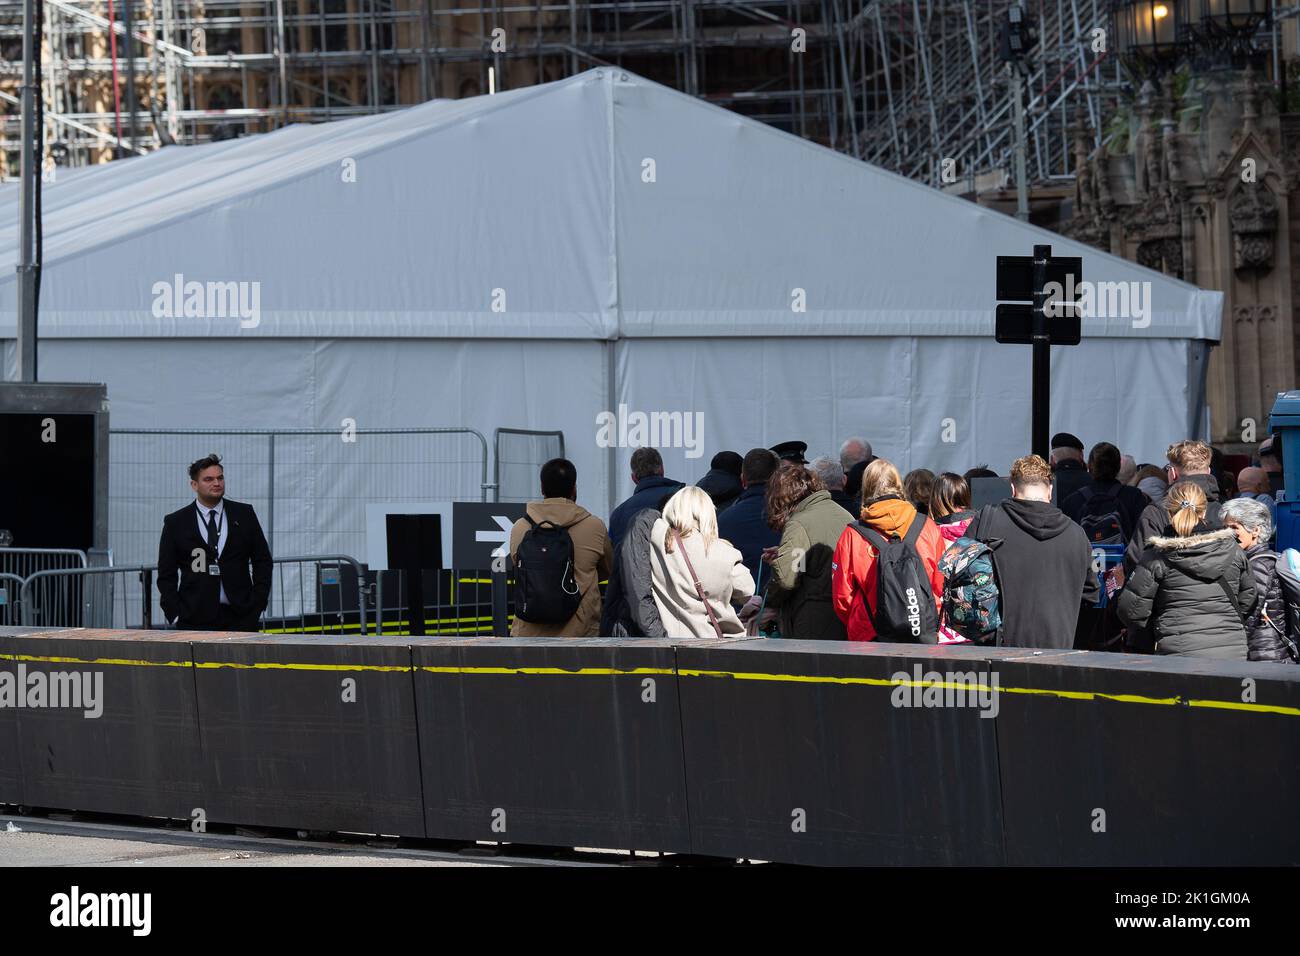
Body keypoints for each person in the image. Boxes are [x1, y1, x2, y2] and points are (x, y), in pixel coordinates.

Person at [964, 455, 1098, 649]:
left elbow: (960, 574)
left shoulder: (986, 521)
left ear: (1012, 488)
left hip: (997, 652)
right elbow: (1092, 594)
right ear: (1050, 490)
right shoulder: (1078, 535)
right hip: (1059, 652)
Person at [1117, 481, 1254, 660]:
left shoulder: (1156, 557)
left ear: (1168, 512)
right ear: (1204, 511)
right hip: (1232, 651)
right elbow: (1249, 598)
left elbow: (1131, 611)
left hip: (1178, 653)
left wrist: (1160, 620)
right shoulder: (1234, 550)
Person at [831, 458, 946, 642]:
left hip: (870, 636)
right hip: (922, 631)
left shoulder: (852, 535)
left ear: (866, 487)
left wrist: (862, 621)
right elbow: (940, 585)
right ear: (898, 485)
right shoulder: (928, 527)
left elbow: (842, 598)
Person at [157, 454, 272, 631]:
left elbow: (262, 560)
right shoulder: (176, 522)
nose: (216, 483)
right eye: (209, 479)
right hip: (194, 618)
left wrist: (258, 604)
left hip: (241, 616)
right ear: (194, 485)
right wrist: (175, 612)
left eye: (220, 478)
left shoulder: (244, 514)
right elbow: (166, 573)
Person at [508, 458, 613, 638]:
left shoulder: (521, 527)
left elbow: (521, 569)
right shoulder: (594, 527)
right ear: (574, 489)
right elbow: (608, 570)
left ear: (542, 488)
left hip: (528, 636)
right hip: (580, 635)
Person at [648, 486, 755, 639]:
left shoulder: (655, 540)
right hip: (710, 645)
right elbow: (748, 591)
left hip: (664, 643)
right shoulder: (725, 553)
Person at [762, 462, 853, 640]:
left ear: (783, 496)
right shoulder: (844, 514)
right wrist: (785, 551)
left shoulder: (799, 522)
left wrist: (767, 599)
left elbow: (787, 579)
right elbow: (815, 558)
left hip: (813, 623)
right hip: (846, 616)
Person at [1126, 440, 1222, 571]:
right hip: (1219, 589)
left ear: (1172, 473)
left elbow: (1137, 562)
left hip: (1167, 589)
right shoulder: (1224, 511)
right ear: (1209, 471)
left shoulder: (1155, 512)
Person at [1221, 498, 1294, 663]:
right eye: (1225, 527)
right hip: (1269, 652)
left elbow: (1250, 614)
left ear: (1255, 531)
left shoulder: (1258, 566)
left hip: (1264, 655)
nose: (1227, 533)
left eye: (1234, 527)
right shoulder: (1267, 559)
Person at [600, 490, 675, 638]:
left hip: (626, 628)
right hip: (634, 633)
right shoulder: (644, 534)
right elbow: (639, 597)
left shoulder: (620, 513)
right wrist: (661, 639)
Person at [1060, 441, 1150, 544]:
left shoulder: (1071, 502)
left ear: (1089, 466)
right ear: (1118, 467)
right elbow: (1142, 538)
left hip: (1084, 559)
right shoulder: (1134, 497)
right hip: (1122, 559)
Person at [717, 448, 781, 585]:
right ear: (776, 478)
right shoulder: (790, 516)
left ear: (743, 480)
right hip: (783, 602)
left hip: (739, 602)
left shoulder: (724, 520)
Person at [929, 472, 975, 644]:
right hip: (979, 625)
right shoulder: (983, 527)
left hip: (942, 629)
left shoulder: (928, 534)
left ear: (935, 500)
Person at [608, 447, 683, 547]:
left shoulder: (617, 515)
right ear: (662, 470)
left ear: (634, 478)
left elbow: (614, 557)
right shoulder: (683, 500)